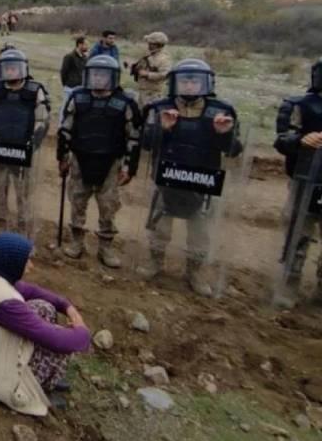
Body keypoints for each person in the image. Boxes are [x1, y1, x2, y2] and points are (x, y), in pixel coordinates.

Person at [0, 232, 91, 416]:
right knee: (57, 341)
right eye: (27, 261)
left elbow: (31, 290)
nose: (31, 266)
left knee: (45, 309)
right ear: (12, 264)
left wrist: (66, 306)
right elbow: (57, 341)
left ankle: (45, 379)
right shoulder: (3, 302)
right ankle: (36, 388)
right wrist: (82, 331)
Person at [138, 59, 240, 296]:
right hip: (167, 179)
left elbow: (235, 150)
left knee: (200, 233)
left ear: (206, 83)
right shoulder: (160, 108)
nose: (190, 86)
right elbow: (146, 144)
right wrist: (162, 129)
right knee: (160, 227)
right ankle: (155, 262)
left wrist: (223, 135)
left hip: (202, 183)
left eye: (195, 81)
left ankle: (194, 272)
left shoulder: (221, 111)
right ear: (175, 83)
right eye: (185, 81)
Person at [57, 56, 141, 268]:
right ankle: (77, 241)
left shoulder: (125, 102)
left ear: (113, 77)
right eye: (95, 74)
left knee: (108, 205)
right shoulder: (78, 97)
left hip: (111, 161)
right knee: (77, 200)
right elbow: (65, 129)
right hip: (80, 159)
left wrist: (130, 167)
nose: (98, 79)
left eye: (103, 75)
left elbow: (134, 137)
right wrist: (62, 157)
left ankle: (106, 246)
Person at [0, 49, 51, 233]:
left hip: (23, 151)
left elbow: (41, 121)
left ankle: (22, 231)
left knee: (24, 195)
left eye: (14, 68)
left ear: (22, 69)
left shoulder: (35, 90)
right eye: (7, 69)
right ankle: (0, 230)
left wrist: (32, 143)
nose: (11, 72)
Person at [273, 57, 322, 306]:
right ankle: (289, 284)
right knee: (298, 234)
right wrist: (301, 140)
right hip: (305, 180)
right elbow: (281, 139)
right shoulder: (299, 105)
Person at [133, 31, 171, 109]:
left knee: (150, 115)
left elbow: (165, 74)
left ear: (157, 45)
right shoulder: (149, 55)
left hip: (153, 93)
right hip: (143, 90)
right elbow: (141, 67)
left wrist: (148, 74)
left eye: (151, 43)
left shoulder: (163, 58)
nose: (148, 45)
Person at [59, 36, 89, 125]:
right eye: (86, 45)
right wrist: (66, 84)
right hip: (70, 87)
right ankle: (61, 126)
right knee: (65, 108)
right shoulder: (69, 57)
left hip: (81, 87)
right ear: (79, 45)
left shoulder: (85, 58)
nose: (87, 47)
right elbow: (63, 72)